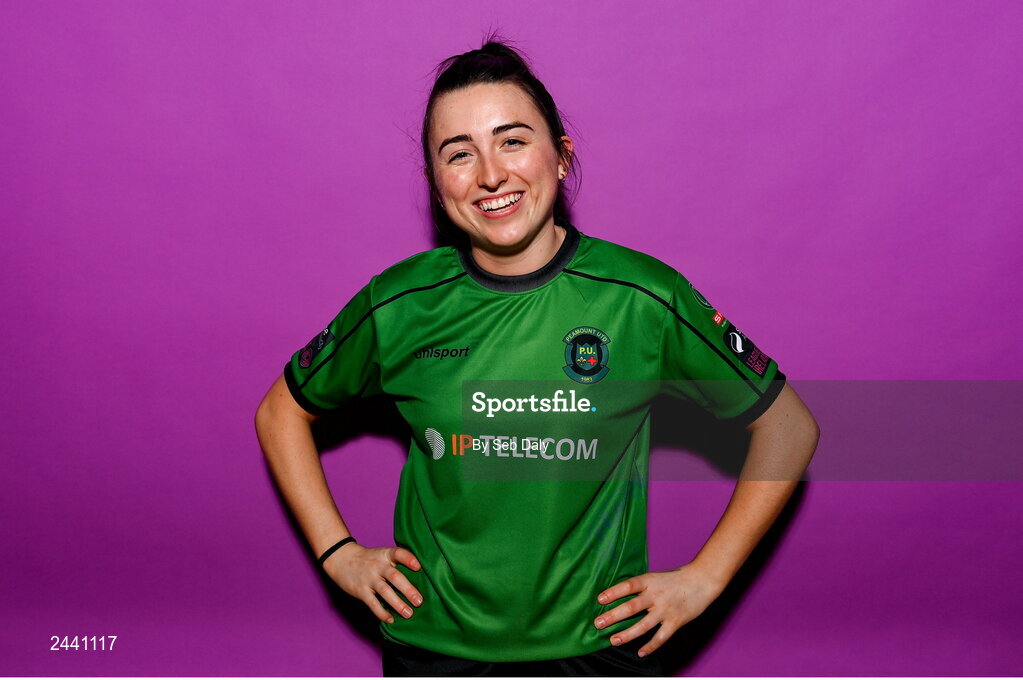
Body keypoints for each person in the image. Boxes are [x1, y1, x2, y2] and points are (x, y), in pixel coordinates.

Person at [255, 37, 820, 677]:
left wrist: (705, 578)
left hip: (594, 652)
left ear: (560, 157)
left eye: (513, 140)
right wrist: (339, 554)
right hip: (431, 650)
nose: (491, 173)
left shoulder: (641, 298)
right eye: (459, 154)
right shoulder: (400, 303)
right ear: (435, 183)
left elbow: (788, 426)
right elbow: (280, 414)